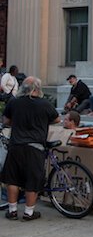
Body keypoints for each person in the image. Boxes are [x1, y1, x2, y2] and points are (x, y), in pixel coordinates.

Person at [2, 76, 60, 221]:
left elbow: (6, 121)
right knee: (32, 180)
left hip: (15, 146)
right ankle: (29, 212)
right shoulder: (44, 104)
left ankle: (13, 211)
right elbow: (57, 119)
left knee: (12, 179)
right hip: (35, 148)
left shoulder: (14, 102)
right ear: (37, 89)